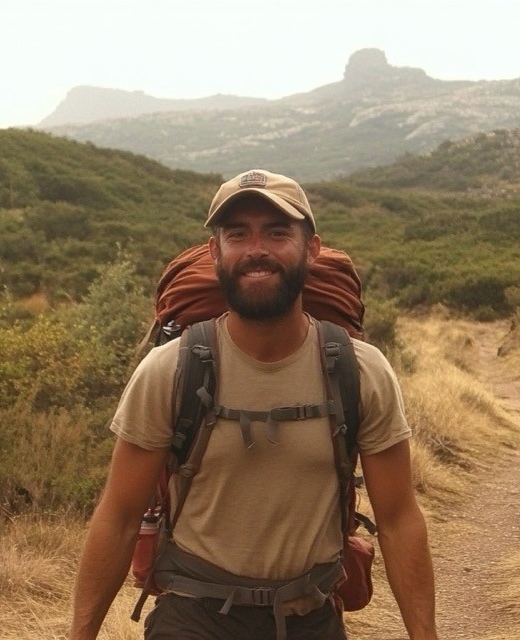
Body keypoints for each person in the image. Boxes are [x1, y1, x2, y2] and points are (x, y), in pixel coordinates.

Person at [69, 169, 437, 640]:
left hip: (312, 617)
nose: (256, 249)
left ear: (312, 249)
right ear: (214, 252)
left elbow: (400, 520)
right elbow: (117, 518)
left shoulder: (360, 372)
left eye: (277, 232)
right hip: (193, 619)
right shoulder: (170, 371)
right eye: (237, 234)